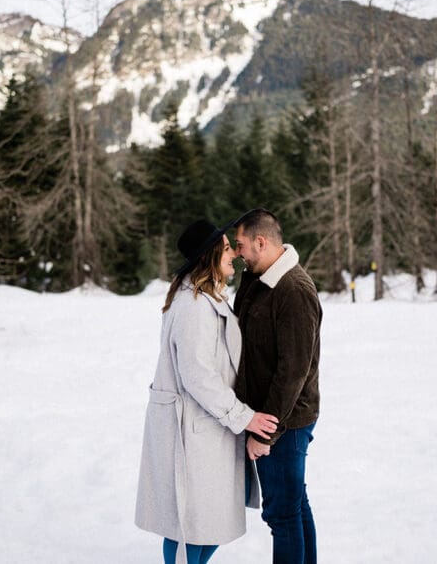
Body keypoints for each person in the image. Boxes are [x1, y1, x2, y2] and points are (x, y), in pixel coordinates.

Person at [135, 218, 280, 564]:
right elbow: (197, 375)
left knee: (204, 523)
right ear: (211, 255)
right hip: (193, 431)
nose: (234, 253)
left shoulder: (203, 298)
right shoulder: (194, 306)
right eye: (227, 247)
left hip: (206, 428)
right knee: (188, 525)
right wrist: (243, 417)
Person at [233, 208, 322, 564]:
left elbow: (293, 372)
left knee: (282, 514)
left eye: (240, 245)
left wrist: (264, 432)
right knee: (294, 504)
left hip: (285, 423)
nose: (237, 253)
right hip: (270, 417)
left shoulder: (293, 290)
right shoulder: (260, 278)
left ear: (261, 241)